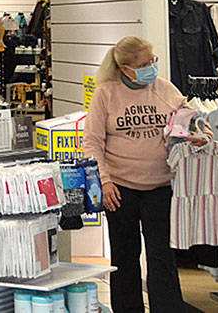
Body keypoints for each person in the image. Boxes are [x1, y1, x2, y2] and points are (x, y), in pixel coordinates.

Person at [82, 36, 188, 312]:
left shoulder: (164, 89)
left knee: (163, 257)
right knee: (125, 258)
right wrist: (103, 181)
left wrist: (200, 134)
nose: (150, 68)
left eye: (152, 61)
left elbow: (191, 120)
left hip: (161, 187)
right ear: (125, 68)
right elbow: (92, 142)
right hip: (120, 190)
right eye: (143, 64)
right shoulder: (106, 93)